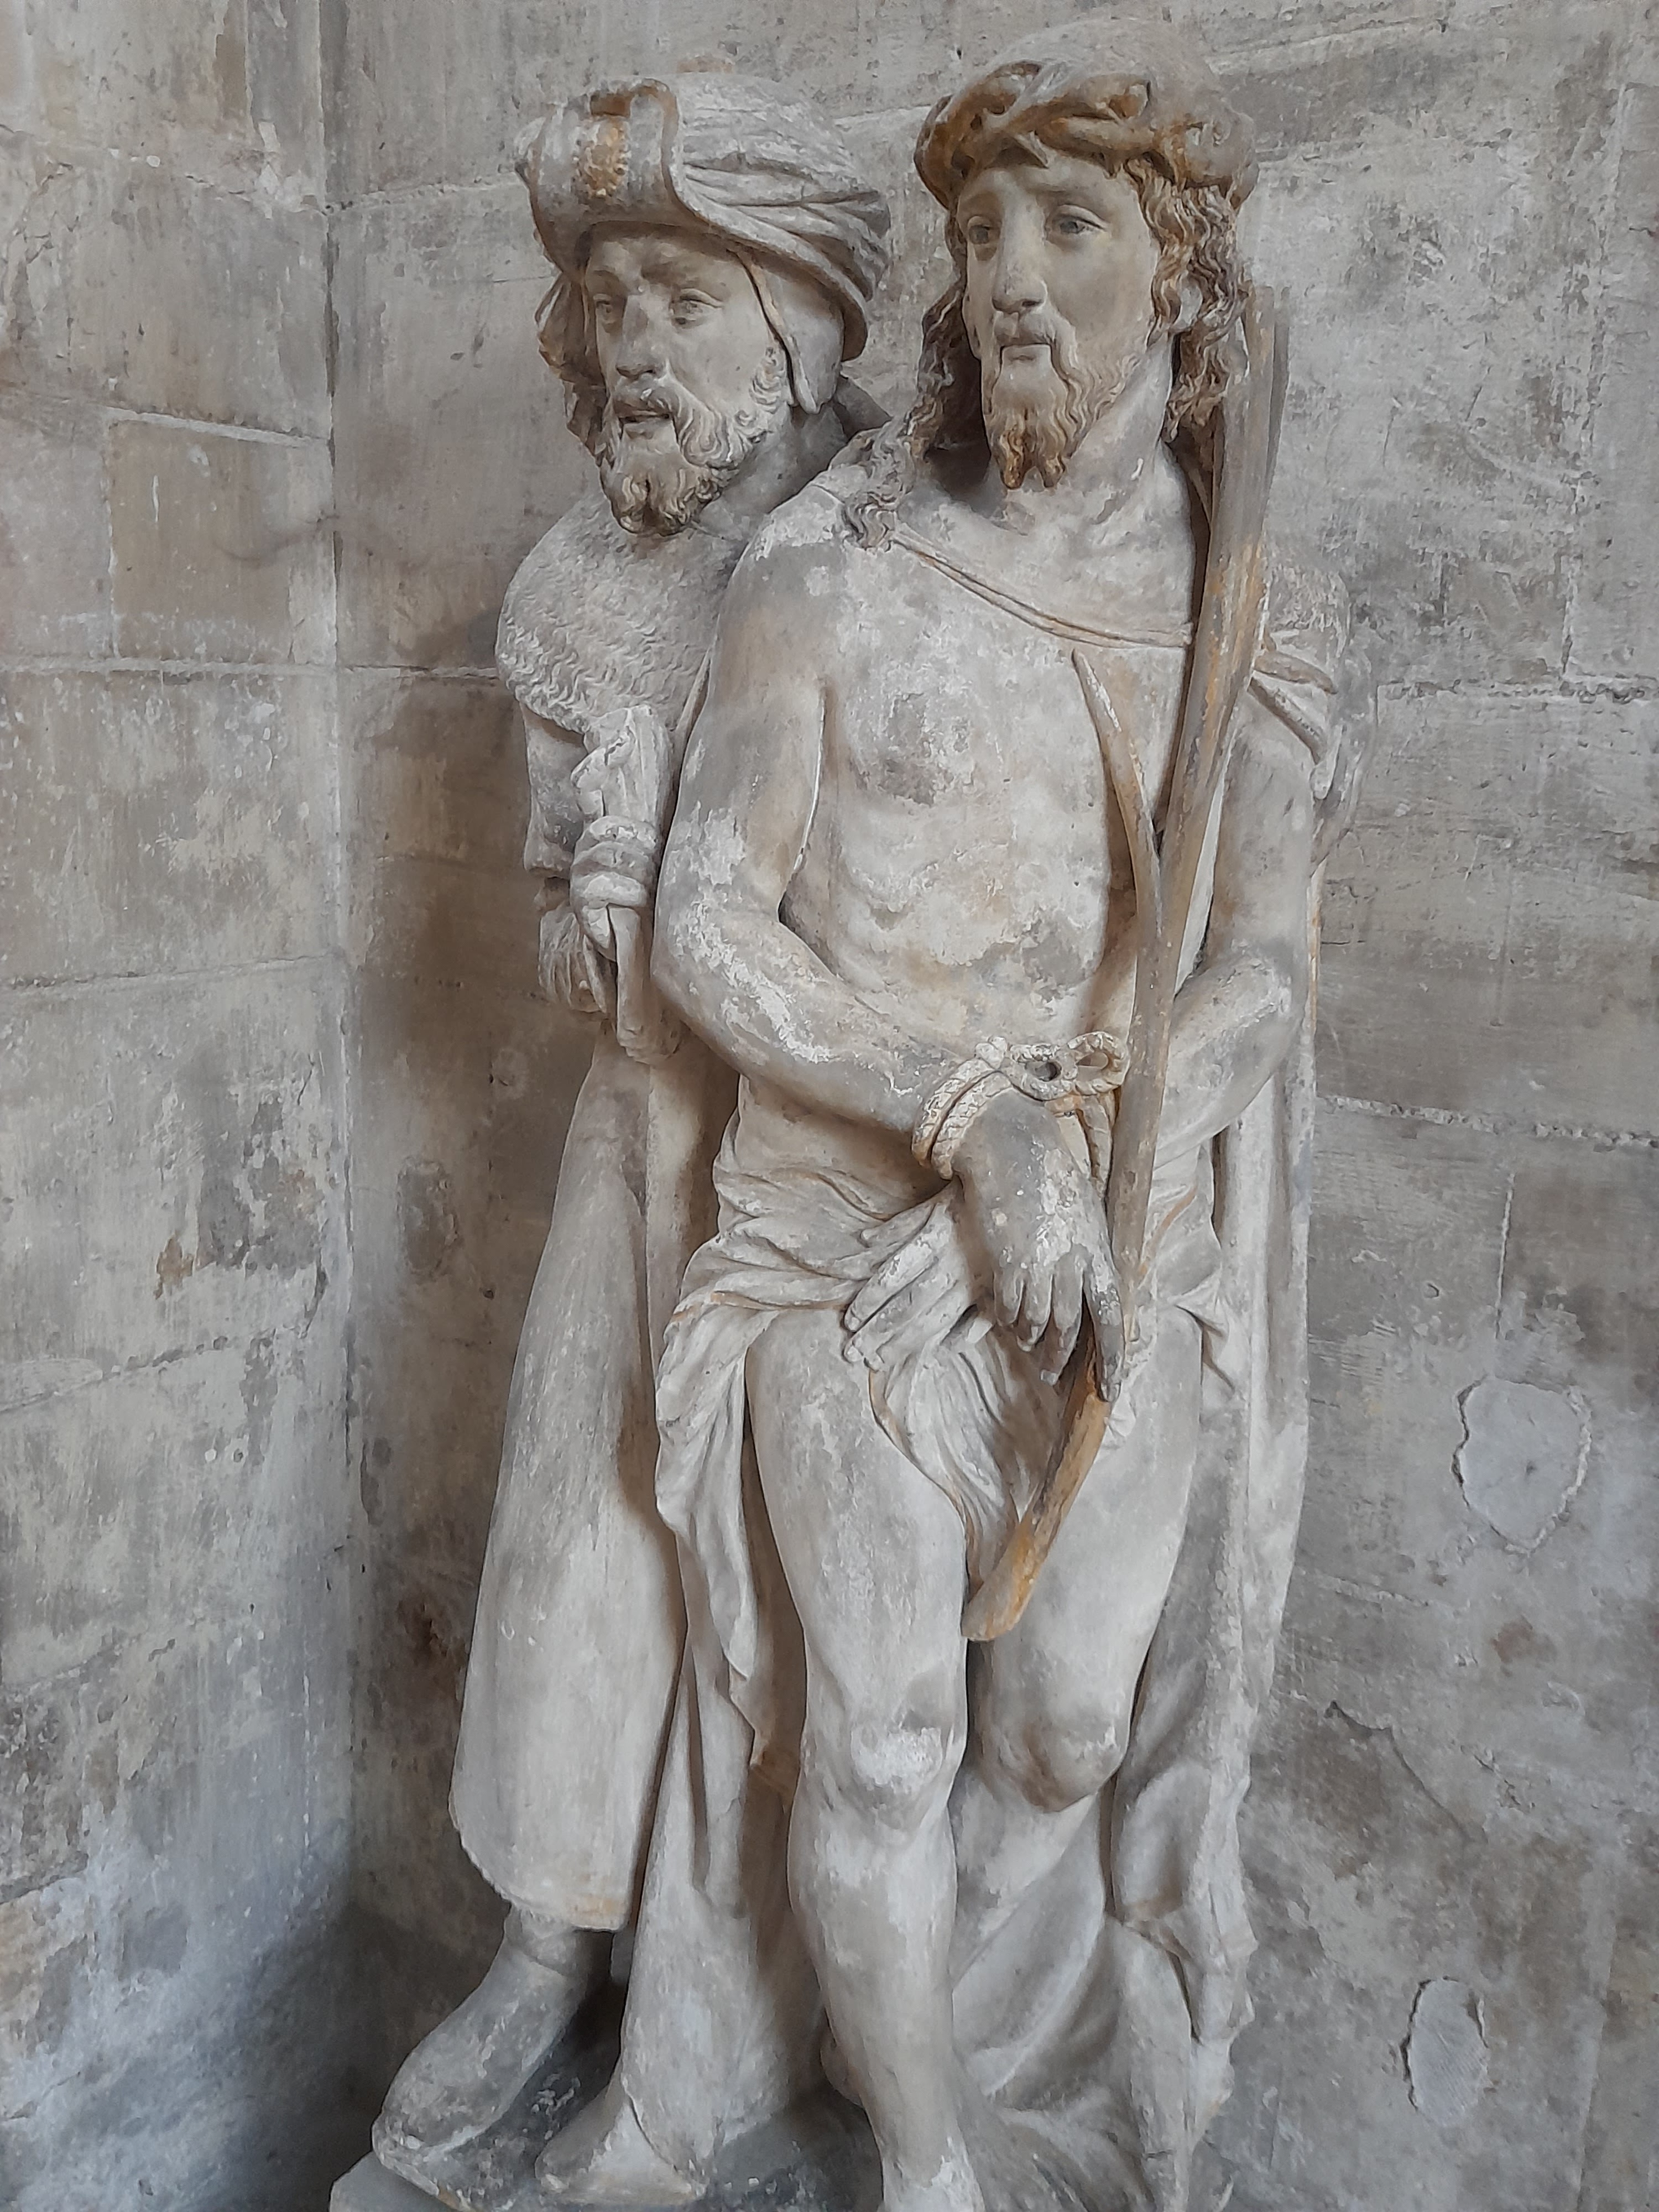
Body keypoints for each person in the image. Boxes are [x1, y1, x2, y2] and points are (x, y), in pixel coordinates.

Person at [538, 22, 1366, 2212]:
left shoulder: (1251, 615)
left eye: (1068, 228)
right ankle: (924, 2169)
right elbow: (708, 926)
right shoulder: (834, 573)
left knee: (1065, 1727)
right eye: (981, 229)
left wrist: (1072, 1157)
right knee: (886, 1734)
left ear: (1177, 282)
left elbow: (1262, 973)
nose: (1008, 274)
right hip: (840, 1245)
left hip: (1118, 1238)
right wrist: (962, 1120)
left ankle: (964, 2045)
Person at [372, 71, 889, 2176]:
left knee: (813, 1608)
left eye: (684, 296)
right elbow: (549, 873)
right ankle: (548, 1943)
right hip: (639, 1125)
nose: (637, 345)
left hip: (843, 1170)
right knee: (583, 1538)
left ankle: (782, 2017)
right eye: (609, 305)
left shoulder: (890, 554)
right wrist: (583, 909)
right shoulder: (576, 586)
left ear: (800, 322)